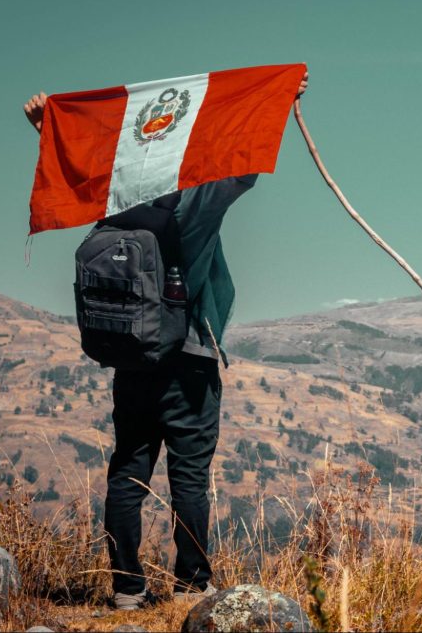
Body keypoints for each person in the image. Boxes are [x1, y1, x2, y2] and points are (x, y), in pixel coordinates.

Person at [23, 71, 308, 609]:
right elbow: (243, 168)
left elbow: (78, 163)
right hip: (189, 362)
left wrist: (46, 125)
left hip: (131, 362)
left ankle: (127, 589)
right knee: (190, 480)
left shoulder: (113, 204)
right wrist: (277, 98)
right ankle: (190, 586)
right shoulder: (191, 208)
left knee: (128, 472)